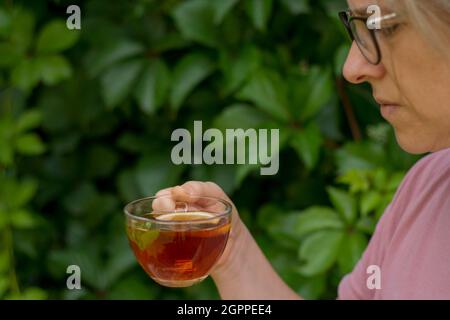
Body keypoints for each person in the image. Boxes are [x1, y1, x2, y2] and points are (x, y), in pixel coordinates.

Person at [154, 0, 450, 299]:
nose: (352, 68)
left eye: (383, 25)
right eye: (359, 25)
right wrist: (232, 253)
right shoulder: (428, 187)